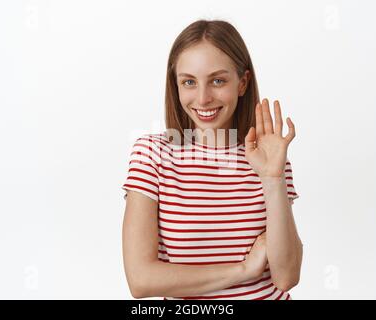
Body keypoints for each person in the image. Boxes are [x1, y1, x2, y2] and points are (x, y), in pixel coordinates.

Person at [121, 19, 302, 300]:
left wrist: (272, 178)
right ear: (176, 85)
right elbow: (141, 280)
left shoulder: (269, 157)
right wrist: (242, 270)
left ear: (242, 83)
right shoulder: (151, 155)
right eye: (189, 82)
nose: (203, 98)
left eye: (218, 81)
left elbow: (287, 276)